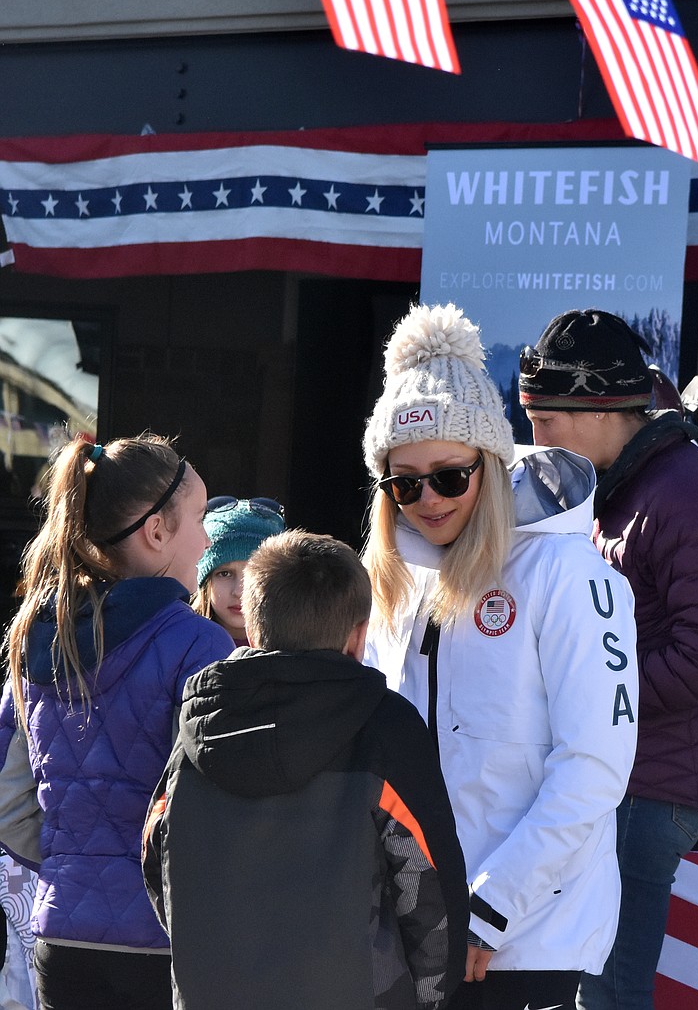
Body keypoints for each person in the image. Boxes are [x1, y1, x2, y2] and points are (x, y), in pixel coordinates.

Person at [361, 303, 639, 1010]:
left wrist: (492, 910)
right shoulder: (396, 583)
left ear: (489, 463)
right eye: (404, 482)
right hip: (414, 933)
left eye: (449, 477)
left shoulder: (570, 573)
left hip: (523, 940)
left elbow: (595, 765)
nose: (428, 499)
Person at [519, 310, 698, 1010]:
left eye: (545, 418)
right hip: (613, 776)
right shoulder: (614, 482)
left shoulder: (681, 489)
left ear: (599, 408)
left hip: (650, 789)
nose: (536, 437)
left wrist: (587, 692)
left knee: (609, 993)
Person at [142, 529, 468, 1010]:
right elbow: (430, 887)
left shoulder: (202, 722)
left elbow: (155, 856)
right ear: (360, 636)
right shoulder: (384, 724)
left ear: (253, 631)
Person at [0, 433, 234, 1010]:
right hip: (166, 938)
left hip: (60, 936)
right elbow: (223, 790)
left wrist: (71, 857)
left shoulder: (37, 636)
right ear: (157, 533)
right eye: (201, 519)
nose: (207, 539)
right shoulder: (200, 643)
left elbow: (8, 799)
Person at [190, 496, 286, 645]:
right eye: (225, 574)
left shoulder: (296, 649)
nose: (239, 591)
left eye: (254, 574)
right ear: (206, 581)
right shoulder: (183, 644)